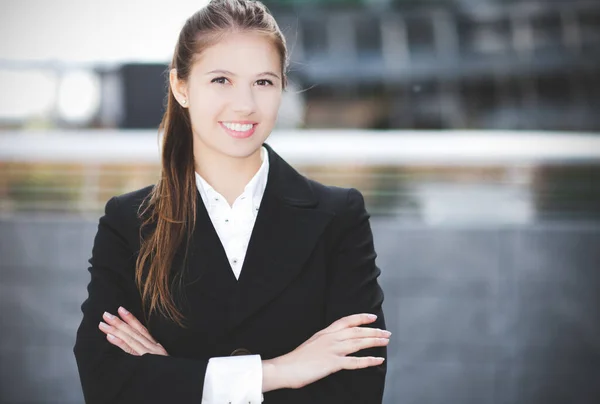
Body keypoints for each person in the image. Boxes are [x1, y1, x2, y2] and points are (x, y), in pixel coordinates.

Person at [73, 0, 389, 403]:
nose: (245, 104)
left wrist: (177, 375)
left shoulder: (339, 217)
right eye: (221, 80)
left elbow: (357, 385)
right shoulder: (129, 223)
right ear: (181, 87)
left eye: (263, 82)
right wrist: (279, 371)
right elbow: (108, 383)